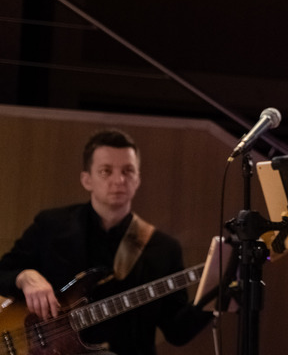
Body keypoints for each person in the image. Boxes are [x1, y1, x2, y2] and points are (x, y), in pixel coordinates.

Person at [0, 128, 214, 355]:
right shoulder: (51, 225)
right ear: (86, 180)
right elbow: (3, 272)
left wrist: (216, 296)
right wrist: (25, 277)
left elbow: (177, 332)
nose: (118, 180)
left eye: (128, 171)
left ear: (138, 179)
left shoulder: (163, 249)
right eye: (106, 171)